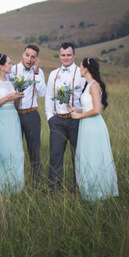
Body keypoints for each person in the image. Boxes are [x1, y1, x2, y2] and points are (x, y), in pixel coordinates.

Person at [69, 58, 119, 201]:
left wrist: (79, 116)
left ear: (86, 69)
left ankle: (98, 193)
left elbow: (97, 110)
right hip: (87, 124)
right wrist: (76, 109)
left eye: (80, 67)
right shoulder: (89, 84)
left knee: (94, 157)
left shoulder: (94, 86)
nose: (79, 70)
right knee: (87, 156)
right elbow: (89, 107)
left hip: (93, 124)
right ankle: (90, 191)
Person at [45, 42, 86, 192]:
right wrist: (50, 117)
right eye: (63, 55)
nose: (66, 58)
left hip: (75, 120)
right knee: (55, 156)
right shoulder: (53, 74)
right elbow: (49, 96)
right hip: (57, 121)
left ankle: (78, 189)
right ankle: (53, 190)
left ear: (74, 55)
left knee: (78, 156)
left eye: (69, 55)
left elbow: (86, 96)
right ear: (59, 55)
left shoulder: (81, 73)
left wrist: (80, 113)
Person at [8, 44, 46, 188]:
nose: (29, 59)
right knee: (14, 150)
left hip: (31, 115)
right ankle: (15, 182)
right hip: (14, 115)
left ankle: (37, 184)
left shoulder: (39, 72)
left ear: (36, 59)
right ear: (22, 54)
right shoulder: (12, 70)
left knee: (34, 151)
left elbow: (42, 93)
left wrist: (36, 73)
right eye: (27, 55)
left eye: (33, 57)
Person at [0, 53, 24, 193]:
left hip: (12, 119)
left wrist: (17, 98)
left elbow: (15, 106)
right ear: (1, 66)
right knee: (1, 152)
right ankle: (0, 187)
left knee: (16, 152)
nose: (11, 65)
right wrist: (8, 97)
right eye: (9, 63)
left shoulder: (10, 81)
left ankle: (15, 186)